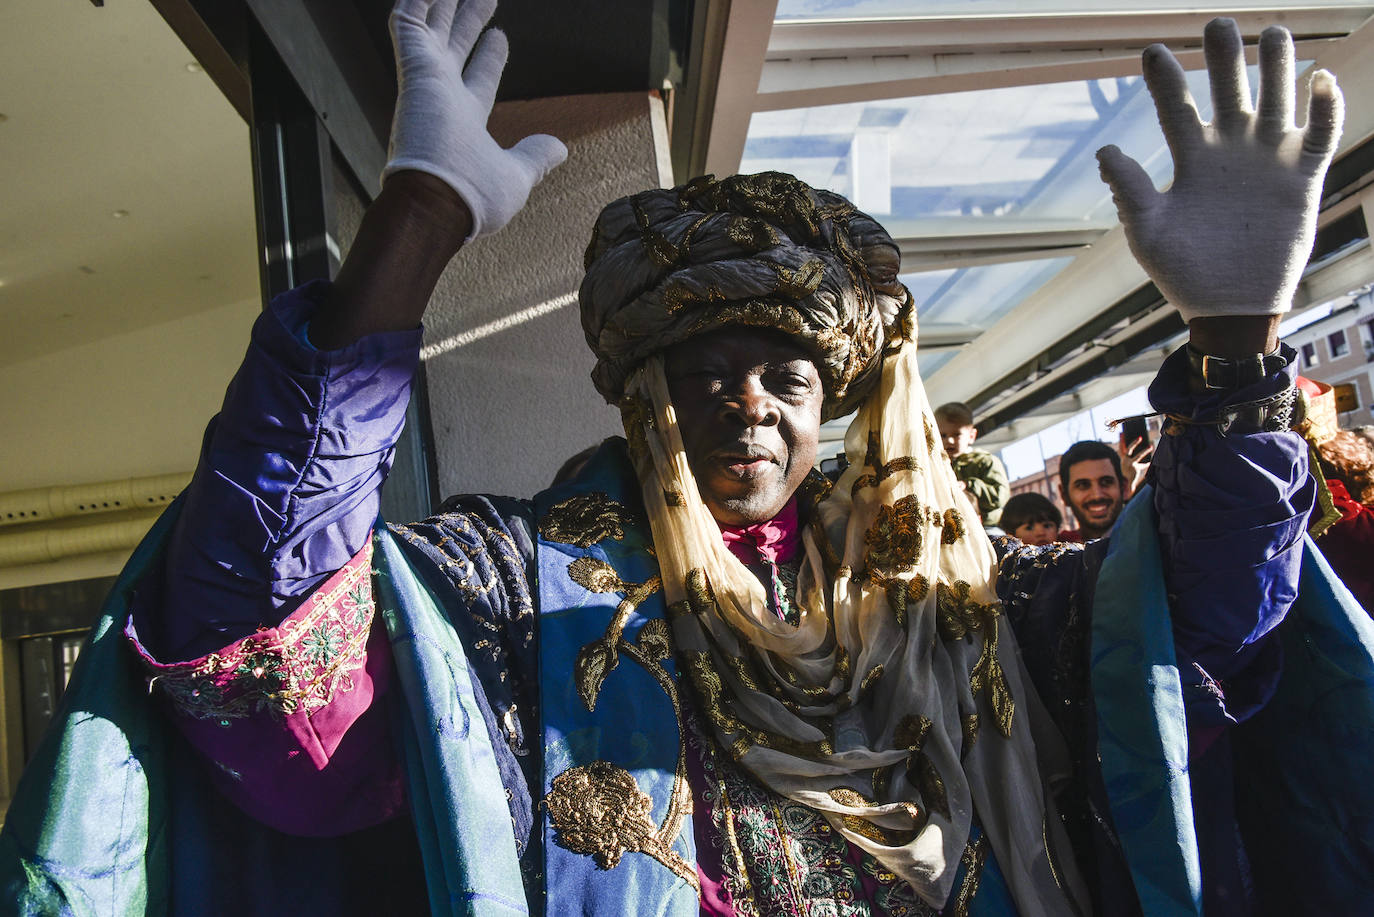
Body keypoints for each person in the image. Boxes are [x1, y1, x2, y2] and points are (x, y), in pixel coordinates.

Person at [4, 6, 1371, 916]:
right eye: (701, 371)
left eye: (784, 372)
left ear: (828, 397)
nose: (748, 406)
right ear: (638, 393)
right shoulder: (505, 590)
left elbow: (1193, 646)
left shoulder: (961, 592)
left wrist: (1236, 349)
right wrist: (409, 232)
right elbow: (262, 675)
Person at [935, 401, 1012, 527]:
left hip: (986, 527)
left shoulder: (984, 461)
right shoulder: (937, 466)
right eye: (943, 435)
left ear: (971, 436)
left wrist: (969, 485)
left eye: (957, 434)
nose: (949, 440)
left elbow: (999, 496)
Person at [1056, 440, 1126, 542]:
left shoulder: (1150, 534)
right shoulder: (1054, 551)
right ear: (1064, 495)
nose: (1097, 495)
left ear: (1124, 486)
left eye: (1106, 482)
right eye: (1083, 485)